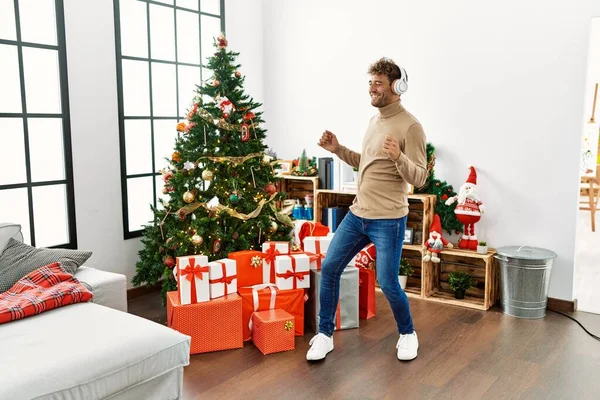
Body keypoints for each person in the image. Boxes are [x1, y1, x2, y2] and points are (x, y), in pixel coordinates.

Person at [306, 57, 427, 362]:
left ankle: (407, 334)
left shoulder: (411, 127)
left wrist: (399, 156)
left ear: (397, 87)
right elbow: (367, 163)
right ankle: (324, 335)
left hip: (388, 220)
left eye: (379, 84)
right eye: (370, 83)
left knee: (386, 282)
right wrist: (338, 150)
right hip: (358, 215)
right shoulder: (374, 121)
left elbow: (420, 178)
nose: (372, 89)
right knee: (330, 268)